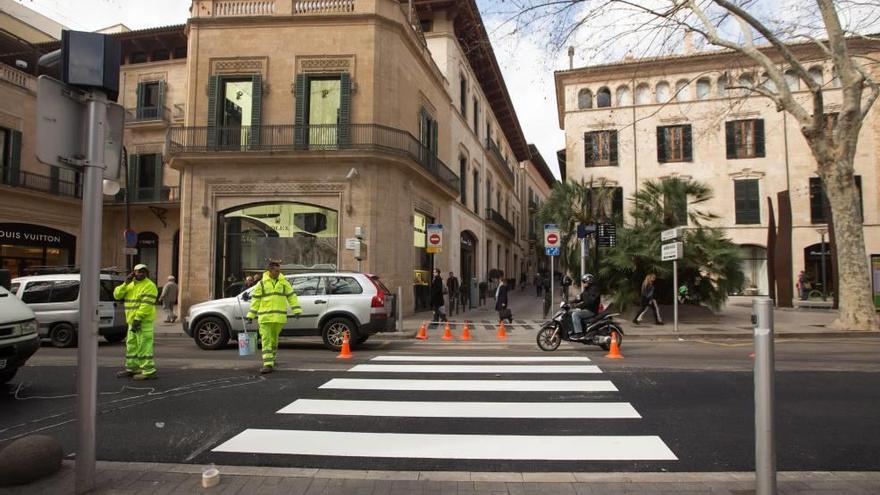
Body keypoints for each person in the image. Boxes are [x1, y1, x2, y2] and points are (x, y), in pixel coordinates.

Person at [246, 259, 301, 374]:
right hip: (265, 318)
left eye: (279, 270)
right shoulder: (261, 283)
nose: (278, 272)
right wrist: (250, 315)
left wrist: (296, 310)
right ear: (270, 271)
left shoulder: (283, 282)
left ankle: (272, 359)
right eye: (276, 271)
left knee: (274, 340)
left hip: (278, 318)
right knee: (266, 340)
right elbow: (255, 300)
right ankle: (268, 364)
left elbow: (291, 296)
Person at [114, 263, 159, 380]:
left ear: (147, 273)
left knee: (144, 347)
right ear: (133, 272)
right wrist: (125, 283)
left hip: (143, 323)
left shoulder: (149, 285)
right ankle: (132, 369)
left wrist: (138, 319)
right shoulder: (130, 285)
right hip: (131, 322)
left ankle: (148, 371)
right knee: (131, 346)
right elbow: (117, 295)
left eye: (143, 271)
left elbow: (146, 305)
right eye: (138, 271)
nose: (140, 273)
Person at [569, 274, 601, 338]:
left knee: (575, 314)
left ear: (589, 282)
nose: (583, 284)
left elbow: (590, 302)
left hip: (591, 310)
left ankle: (579, 333)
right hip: (586, 309)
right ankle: (573, 330)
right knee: (570, 312)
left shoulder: (594, 290)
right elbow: (580, 298)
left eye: (584, 282)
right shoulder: (587, 290)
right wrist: (570, 302)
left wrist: (579, 306)